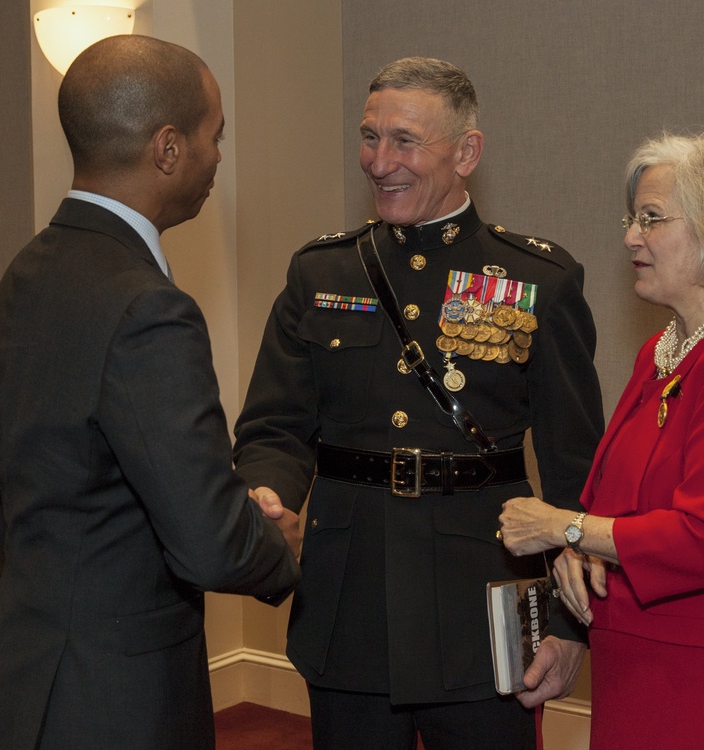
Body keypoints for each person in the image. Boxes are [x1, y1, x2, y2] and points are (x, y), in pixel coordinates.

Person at [232, 56, 604, 749]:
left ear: (467, 152)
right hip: (349, 601)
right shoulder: (322, 271)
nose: (379, 162)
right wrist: (268, 496)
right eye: (370, 138)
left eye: (404, 140)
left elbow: (577, 474)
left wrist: (569, 624)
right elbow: (275, 426)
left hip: (483, 607)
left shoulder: (537, 281)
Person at [0, 35, 300, 750]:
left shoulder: (23, 276)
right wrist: (278, 541)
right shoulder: (147, 307)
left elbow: (13, 489)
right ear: (167, 148)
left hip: (28, 670)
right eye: (215, 137)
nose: (218, 157)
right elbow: (208, 545)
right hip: (117, 700)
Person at [499, 129, 704, 750]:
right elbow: (617, 504)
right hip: (635, 658)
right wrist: (578, 556)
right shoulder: (662, 352)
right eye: (632, 217)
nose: (630, 236)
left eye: (652, 218)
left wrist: (562, 528)